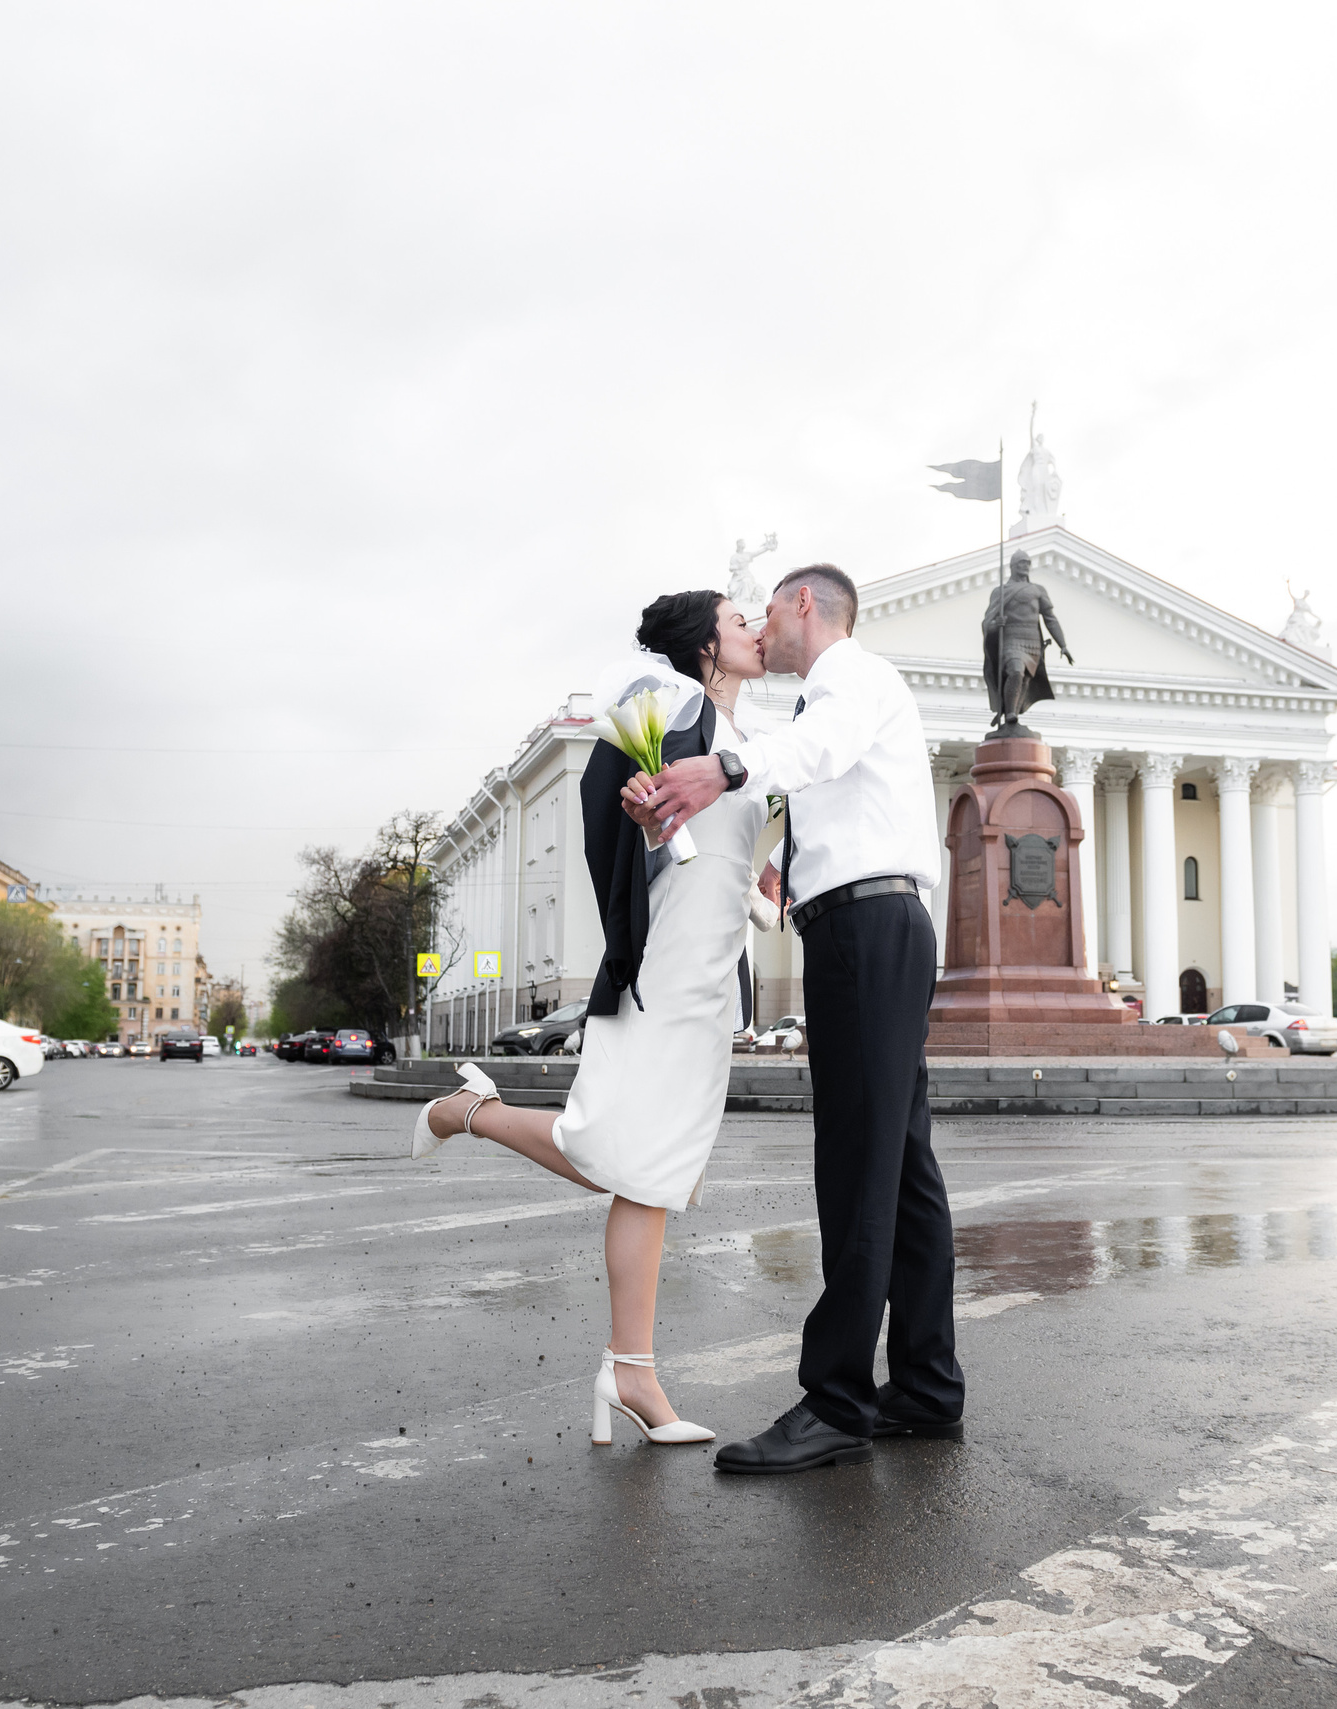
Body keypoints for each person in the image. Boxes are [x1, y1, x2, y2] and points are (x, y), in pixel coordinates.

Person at [411, 589, 770, 1450]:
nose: (756, 627)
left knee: (655, 1167)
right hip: (663, 967)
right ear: (706, 648)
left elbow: (723, 851)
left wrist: (762, 893)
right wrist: (649, 827)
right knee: (625, 1154)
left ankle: (632, 1367)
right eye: (739, 619)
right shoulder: (675, 711)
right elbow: (623, 825)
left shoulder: (742, 740)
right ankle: (470, 1112)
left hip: (710, 973)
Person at [638, 563, 962, 1475]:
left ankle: (836, 1401)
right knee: (901, 1166)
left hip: (868, 932)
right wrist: (789, 870)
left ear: (803, 606)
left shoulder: (849, 678)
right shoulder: (835, 699)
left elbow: (813, 754)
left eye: (766, 610)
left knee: (858, 1162)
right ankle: (929, 1387)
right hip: (871, 922)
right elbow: (827, 786)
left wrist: (724, 765)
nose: (760, 627)